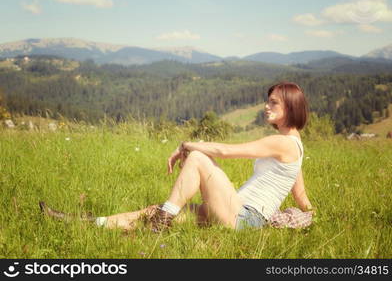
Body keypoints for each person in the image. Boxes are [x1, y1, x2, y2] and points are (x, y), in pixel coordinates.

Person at [40, 81, 313, 232]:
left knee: (197, 159)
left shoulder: (283, 143)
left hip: (245, 217)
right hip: (234, 209)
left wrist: (187, 145)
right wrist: (311, 215)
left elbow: (226, 152)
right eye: (268, 101)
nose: (266, 106)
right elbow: (300, 194)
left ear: (291, 107)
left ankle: (161, 222)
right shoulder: (294, 147)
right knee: (152, 210)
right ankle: (85, 222)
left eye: (273, 102)